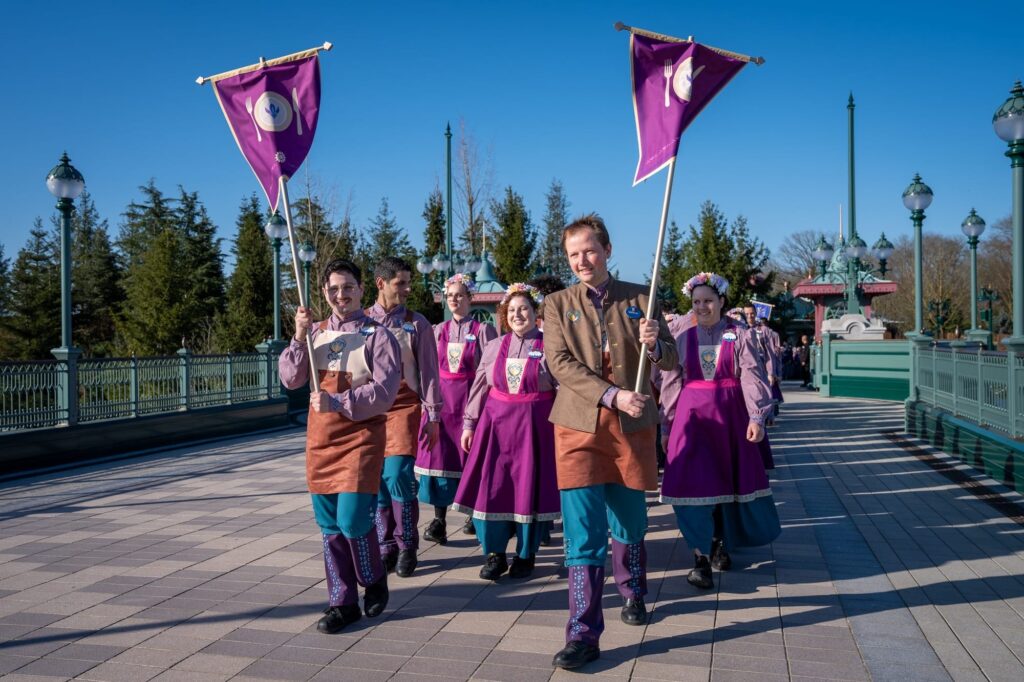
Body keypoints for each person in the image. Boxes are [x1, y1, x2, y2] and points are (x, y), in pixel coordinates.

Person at [543, 213, 678, 670]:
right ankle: (583, 633)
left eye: (589, 251)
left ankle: (633, 588)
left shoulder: (642, 295)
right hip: (578, 427)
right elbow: (557, 362)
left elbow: (673, 359)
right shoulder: (558, 303)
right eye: (573, 254)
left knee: (630, 520)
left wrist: (656, 343)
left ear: (607, 250)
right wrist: (612, 394)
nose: (582, 260)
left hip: (632, 427)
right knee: (582, 536)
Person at [278, 259, 401, 634]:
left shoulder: (379, 336)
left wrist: (338, 402)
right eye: (333, 289)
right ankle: (342, 603)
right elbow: (290, 379)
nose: (340, 295)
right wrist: (298, 337)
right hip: (321, 441)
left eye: (348, 287)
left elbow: (383, 393)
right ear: (324, 293)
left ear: (362, 290)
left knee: (351, 520)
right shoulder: (314, 333)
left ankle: (373, 575)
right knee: (330, 526)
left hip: (361, 437)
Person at [660, 273, 781, 590]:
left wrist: (756, 416)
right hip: (692, 419)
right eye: (696, 301)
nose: (702, 306)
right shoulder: (682, 336)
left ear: (721, 302)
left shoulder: (739, 334)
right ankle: (700, 558)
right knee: (690, 486)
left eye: (708, 301)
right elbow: (671, 382)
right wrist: (667, 423)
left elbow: (752, 377)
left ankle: (719, 542)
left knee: (727, 484)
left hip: (729, 416)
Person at [453, 283, 560, 580]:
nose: (518, 314)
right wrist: (469, 424)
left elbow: (562, 388)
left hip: (534, 431)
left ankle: (526, 555)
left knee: (529, 489)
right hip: (495, 430)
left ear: (534, 312)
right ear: (503, 314)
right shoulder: (493, 347)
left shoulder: (550, 346)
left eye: (524, 308)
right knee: (493, 488)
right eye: (511, 310)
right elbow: (479, 389)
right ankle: (494, 554)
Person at [366, 257, 442, 578]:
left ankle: (408, 543)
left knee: (397, 474)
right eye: (401, 283)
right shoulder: (363, 321)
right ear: (381, 284)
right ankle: (386, 545)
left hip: (404, 406)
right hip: (368, 409)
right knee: (375, 479)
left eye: (409, 282)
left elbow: (430, 371)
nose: (408, 289)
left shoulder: (416, 323)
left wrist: (433, 414)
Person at [415, 273, 497, 544]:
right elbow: (427, 366)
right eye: (450, 295)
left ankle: (472, 513)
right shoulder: (438, 330)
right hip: (441, 403)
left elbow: (490, 371)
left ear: (470, 299)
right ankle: (439, 520)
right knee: (440, 458)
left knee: (469, 457)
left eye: (460, 295)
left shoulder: (483, 331)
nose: (454, 299)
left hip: (468, 402)